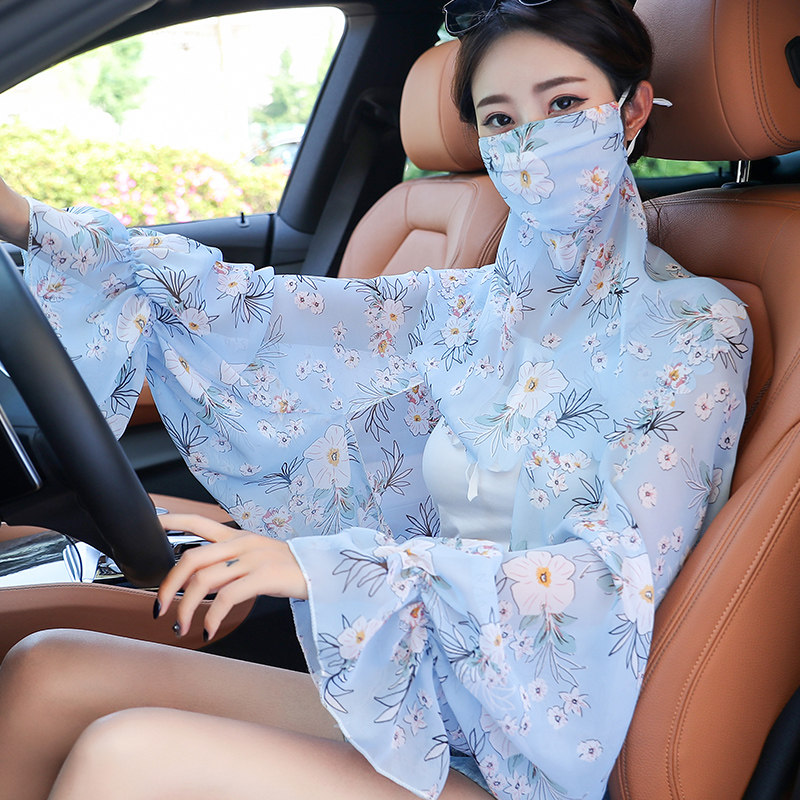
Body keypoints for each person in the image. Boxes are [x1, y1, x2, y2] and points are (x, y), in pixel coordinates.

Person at [0, 1, 751, 799]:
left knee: (127, 754)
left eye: (564, 104)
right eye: (501, 120)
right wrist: (25, 221)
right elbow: (256, 315)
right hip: (426, 693)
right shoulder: (468, 307)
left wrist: (328, 567)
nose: (531, 142)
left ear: (631, 111)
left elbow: (609, 579)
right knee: (46, 670)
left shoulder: (700, 331)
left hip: (531, 757)